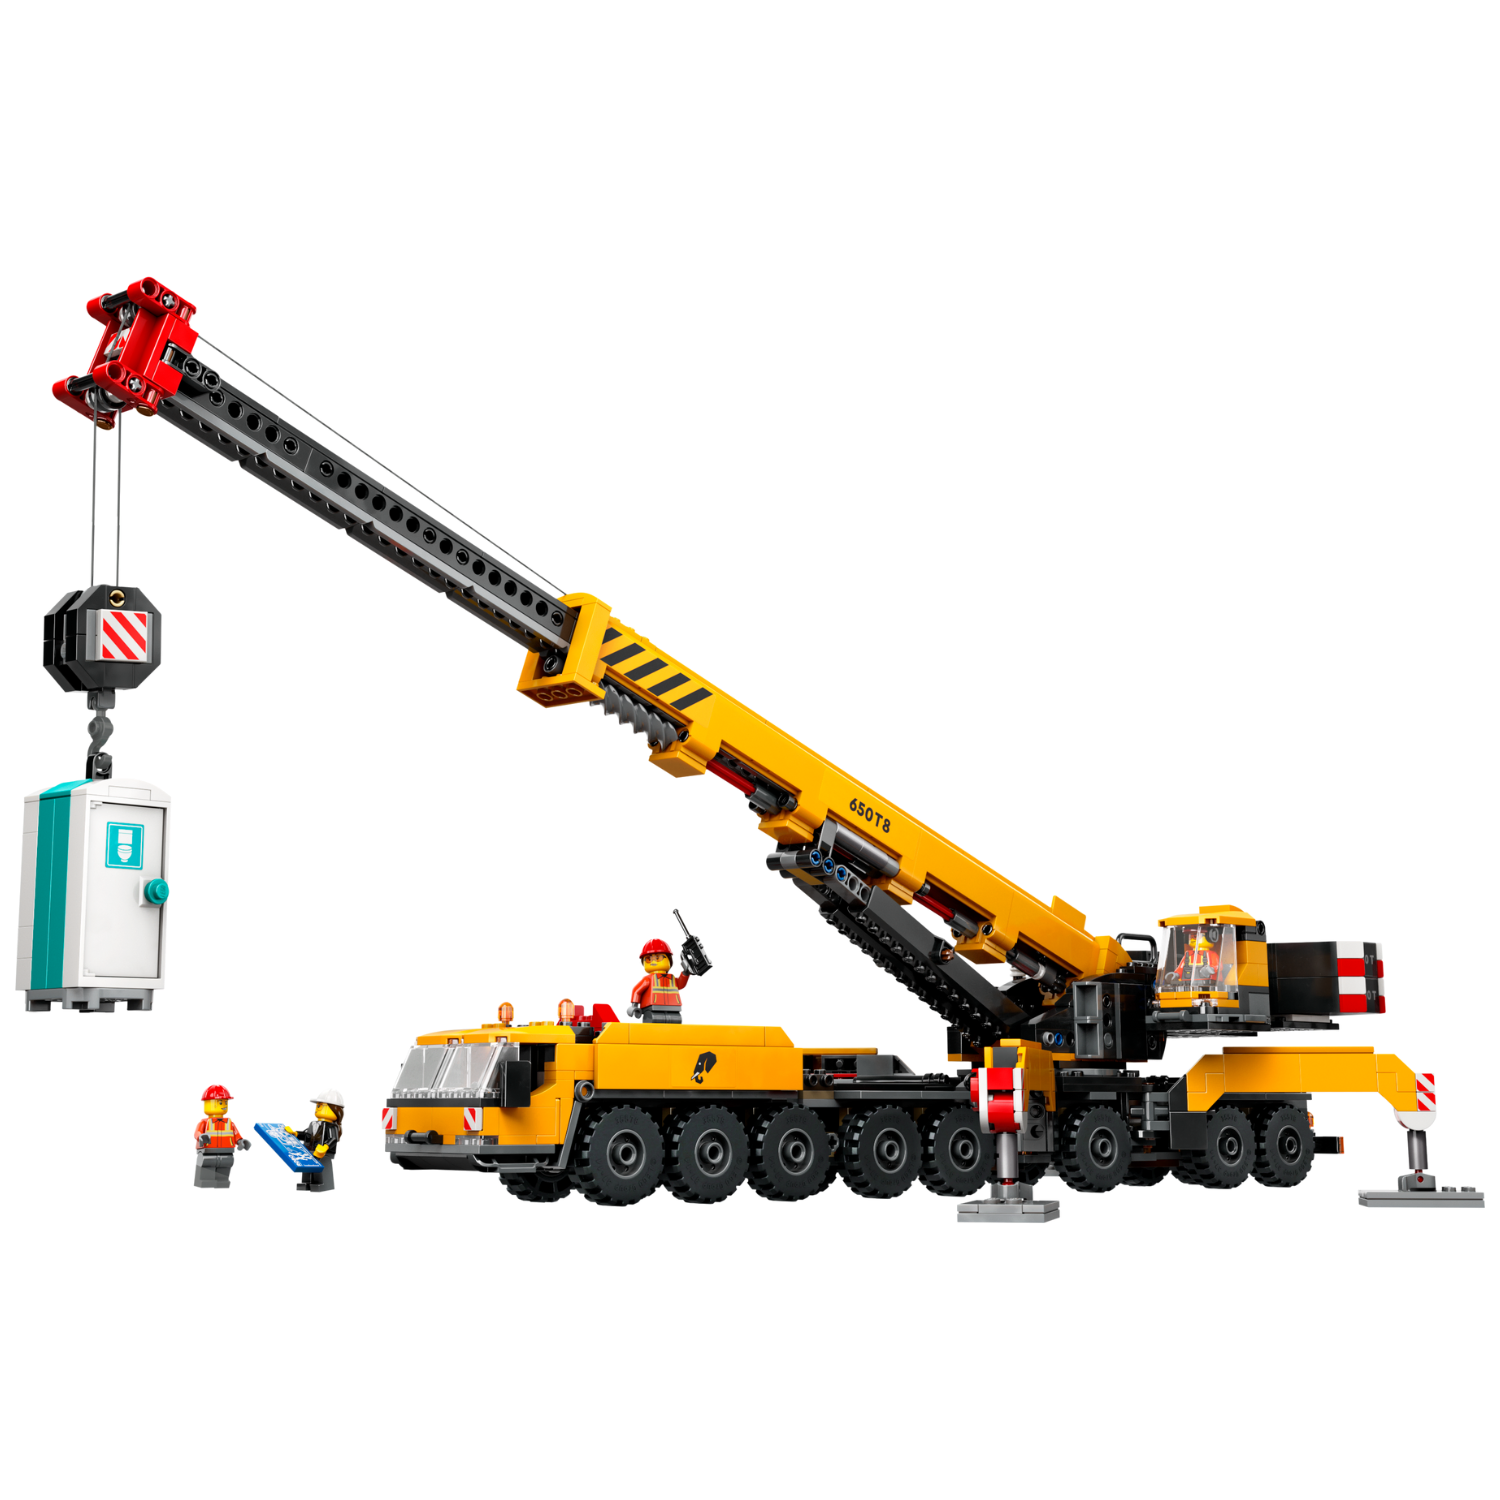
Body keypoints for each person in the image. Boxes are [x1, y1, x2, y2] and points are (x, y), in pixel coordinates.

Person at [284, 1088, 345, 1193]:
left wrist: (325, 1147)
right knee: (307, 1167)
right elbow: (307, 1135)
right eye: (317, 1105)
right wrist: (296, 1134)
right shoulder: (313, 1124)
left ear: (334, 1109)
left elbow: (333, 1138)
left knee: (320, 1168)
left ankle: (321, 1184)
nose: (317, 1108)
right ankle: (306, 1183)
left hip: (323, 1153)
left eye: (320, 1106)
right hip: (310, 1150)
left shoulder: (332, 1126)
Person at [194, 1085, 250, 1188]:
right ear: (208, 1104)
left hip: (227, 1152)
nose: (224, 1105)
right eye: (221, 1102)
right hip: (208, 1152)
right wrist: (201, 1136)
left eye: (225, 1102)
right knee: (207, 1169)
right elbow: (197, 1132)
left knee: (224, 1169)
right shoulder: (204, 1123)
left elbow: (236, 1135)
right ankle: (205, 1184)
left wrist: (241, 1141)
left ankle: (222, 1183)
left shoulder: (230, 1123)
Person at [629, 938, 690, 1023]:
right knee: (653, 1023)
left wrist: (686, 973)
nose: (653, 961)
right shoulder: (648, 979)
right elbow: (637, 991)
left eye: (658, 958)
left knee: (675, 1023)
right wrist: (634, 1005)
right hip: (652, 1008)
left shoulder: (672, 979)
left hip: (673, 1008)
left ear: (669, 960)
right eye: (648, 959)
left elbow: (680, 984)